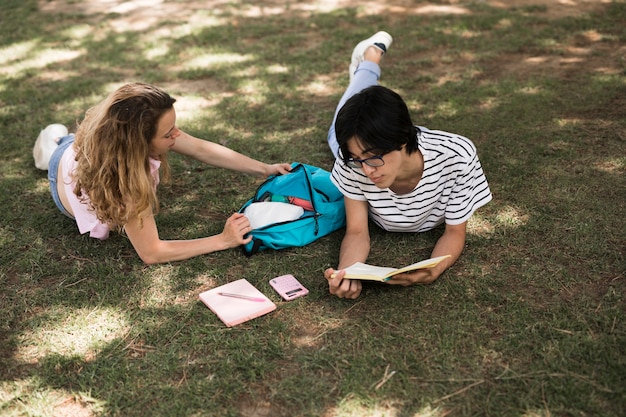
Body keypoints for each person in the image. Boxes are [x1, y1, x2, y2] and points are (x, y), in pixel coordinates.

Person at [35, 82, 292, 264]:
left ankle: (61, 138)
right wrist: (222, 240)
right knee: (58, 148)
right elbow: (153, 252)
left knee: (72, 143)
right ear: (138, 142)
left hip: (84, 156)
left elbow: (202, 149)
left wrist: (265, 169)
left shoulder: (129, 138)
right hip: (63, 169)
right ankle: (54, 141)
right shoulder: (125, 185)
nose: (178, 135)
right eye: (168, 134)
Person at [324, 31, 492, 299]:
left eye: (373, 157)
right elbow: (356, 230)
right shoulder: (353, 162)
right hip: (370, 139)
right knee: (337, 134)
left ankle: (369, 61)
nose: (367, 170)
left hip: (415, 141)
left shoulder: (457, 156)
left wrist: (436, 267)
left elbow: (454, 231)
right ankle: (369, 60)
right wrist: (347, 272)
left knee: (358, 119)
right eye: (358, 160)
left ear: (402, 139)